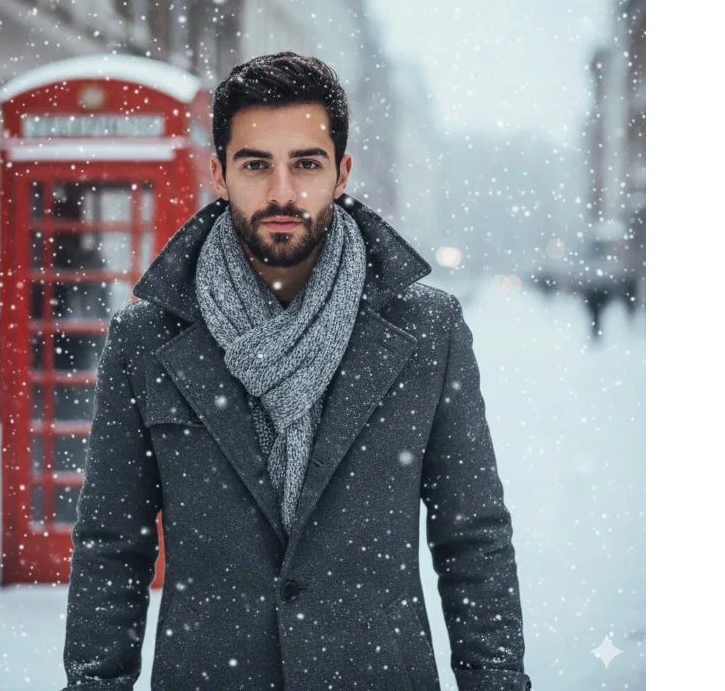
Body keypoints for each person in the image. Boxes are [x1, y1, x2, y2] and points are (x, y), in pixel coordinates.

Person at [61, 51, 531, 691]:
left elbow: (471, 536)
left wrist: (496, 680)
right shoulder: (145, 340)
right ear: (219, 174)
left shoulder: (428, 330)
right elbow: (112, 546)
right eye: (256, 164)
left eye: (305, 163)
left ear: (341, 173)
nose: (282, 192)